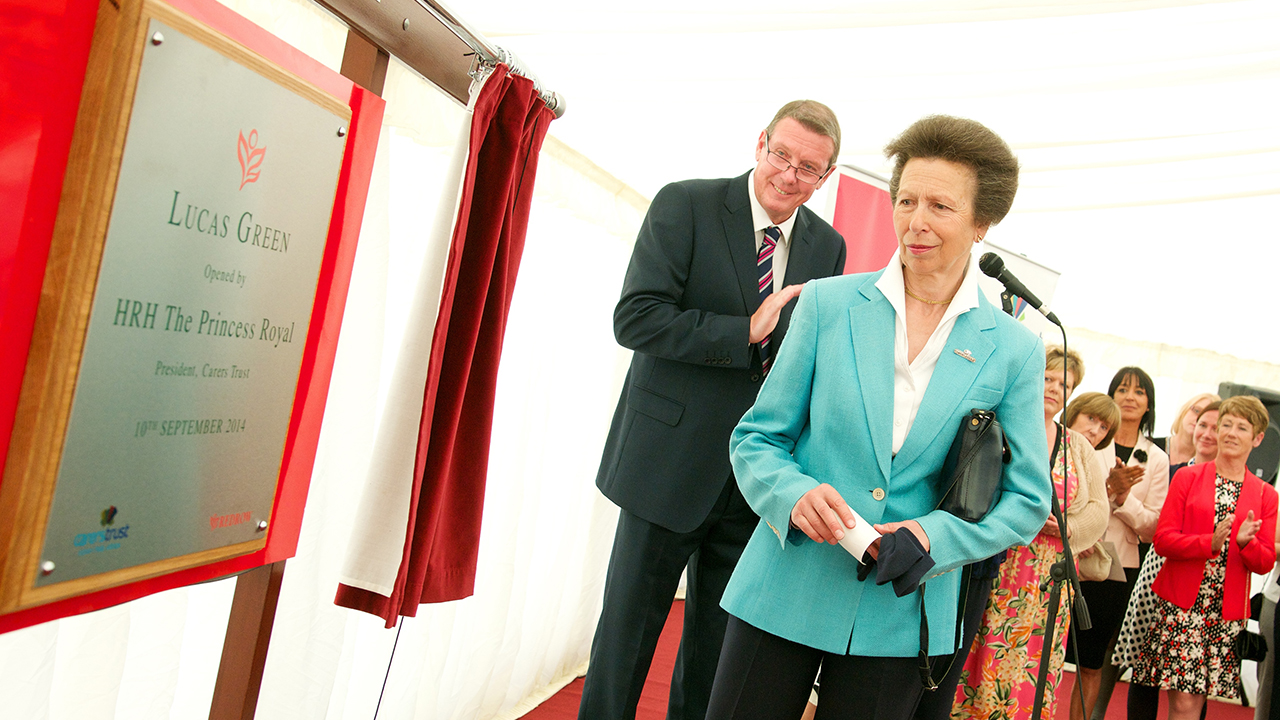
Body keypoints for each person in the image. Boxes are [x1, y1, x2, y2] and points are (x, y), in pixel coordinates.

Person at [704, 114, 1051, 720]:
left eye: (941, 206)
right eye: (907, 200)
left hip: (903, 614)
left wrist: (932, 536)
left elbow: (1025, 501)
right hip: (784, 587)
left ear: (982, 224)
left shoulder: (1015, 349)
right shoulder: (825, 304)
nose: (916, 221)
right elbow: (757, 438)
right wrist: (793, 494)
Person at [580, 100, 848, 720]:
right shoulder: (686, 204)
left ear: (825, 177)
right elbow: (636, 317)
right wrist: (743, 331)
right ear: (760, 144)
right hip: (665, 465)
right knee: (624, 642)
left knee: (715, 658)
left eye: (809, 168)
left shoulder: (827, 247)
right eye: (782, 155)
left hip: (755, 480)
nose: (790, 174)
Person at [951, 346, 1108, 719]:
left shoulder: (1078, 446)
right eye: (1048, 378)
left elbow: (1099, 511)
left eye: (1064, 385)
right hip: (997, 562)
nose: (1054, 388)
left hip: (1049, 580)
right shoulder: (998, 427)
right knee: (978, 656)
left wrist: (1069, 527)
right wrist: (1022, 518)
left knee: (1031, 669)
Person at [1127, 396, 1277, 720]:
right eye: (1226, 424)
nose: (1230, 433)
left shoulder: (1266, 494)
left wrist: (1245, 544)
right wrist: (1209, 542)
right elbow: (1164, 540)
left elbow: (1264, 562)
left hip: (1225, 613)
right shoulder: (1188, 477)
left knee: (1194, 703)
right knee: (1183, 702)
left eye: (1241, 427)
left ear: (1258, 438)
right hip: (1182, 606)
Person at [1068, 366, 1170, 720]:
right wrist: (1108, 492)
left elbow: (1153, 528)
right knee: (1048, 646)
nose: (1129, 396)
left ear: (1149, 405)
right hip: (1069, 554)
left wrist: (1123, 497)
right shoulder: (1087, 440)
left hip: (1115, 568)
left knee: (1092, 660)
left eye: (1139, 392)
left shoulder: (1157, 459)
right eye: (1122, 388)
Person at [1112, 401, 1221, 720]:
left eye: (1217, 427)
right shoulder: (1176, 469)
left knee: (1192, 683)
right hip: (1157, 577)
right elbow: (1160, 529)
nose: (1207, 433)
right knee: (1145, 671)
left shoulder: (1230, 483)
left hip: (1201, 586)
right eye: (1203, 424)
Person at [1163, 393, 1222, 466]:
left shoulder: (1206, 464)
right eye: (1197, 411)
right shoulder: (1150, 446)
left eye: (1214, 428)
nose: (1198, 419)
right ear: (1185, 410)